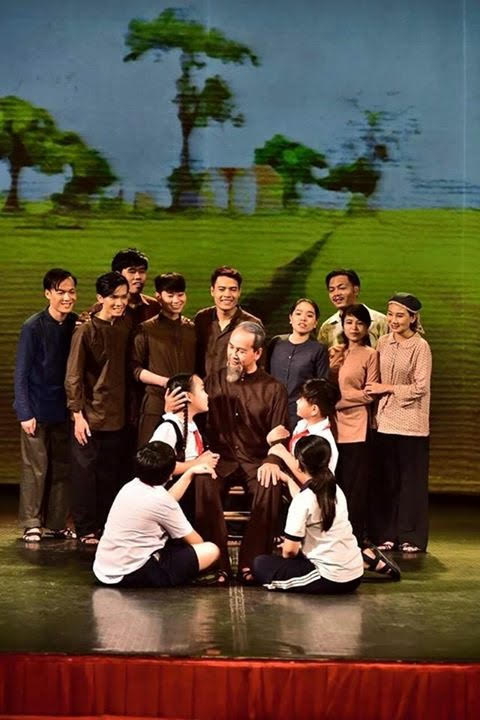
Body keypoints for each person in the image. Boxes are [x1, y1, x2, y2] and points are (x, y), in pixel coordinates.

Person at [201, 321, 289, 583]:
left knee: (270, 482)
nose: (233, 355)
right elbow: (197, 421)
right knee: (203, 480)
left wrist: (272, 460)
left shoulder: (273, 388)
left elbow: (280, 431)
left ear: (257, 353)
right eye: (231, 348)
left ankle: (253, 562)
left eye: (240, 350)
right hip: (221, 458)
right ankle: (215, 562)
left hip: (256, 459)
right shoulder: (214, 381)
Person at [93, 442, 220, 588]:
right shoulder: (162, 501)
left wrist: (189, 473)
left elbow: (165, 501)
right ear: (170, 474)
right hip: (131, 572)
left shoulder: (131, 486)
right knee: (211, 550)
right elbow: (196, 541)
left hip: (104, 569)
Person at [65, 272, 130, 545]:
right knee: (84, 476)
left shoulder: (125, 326)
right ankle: (85, 528)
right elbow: (73, 375)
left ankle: (106, 526)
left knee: (109, 476)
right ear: (100, 298)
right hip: (89, 416)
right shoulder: (85, 330)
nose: (120, 302)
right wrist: (77, 415)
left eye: (124, 297)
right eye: (114, 297)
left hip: (117, 416)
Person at [14, 268, 78, 543]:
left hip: (64, 410)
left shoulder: (76, 324)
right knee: (35, 468)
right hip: (37, 410)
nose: (67, 297)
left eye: (71, 292)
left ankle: (56, 523)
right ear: (47, 294)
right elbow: (21, 372)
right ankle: (31, 523)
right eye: (60, 292)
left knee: (63, 468)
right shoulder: (33, 326)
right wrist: (24, 412)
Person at [253, 436, 364, 594]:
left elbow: (289, 552)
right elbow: (308, 501)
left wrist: (293, 545)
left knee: (260, 564)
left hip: (330, 578)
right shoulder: (334, 488)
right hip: (355, 574)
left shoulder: (303, 501)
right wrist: (288, 480)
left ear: (298, 464)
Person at [366, 293, 432, 554]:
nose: (393, 320)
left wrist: (388, 388)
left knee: (410, 484)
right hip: (384, 422)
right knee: (386, 482)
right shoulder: (383, 342)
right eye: (390, 314)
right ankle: (386, 534)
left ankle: (411, 536)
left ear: (412, 318)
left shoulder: (420, 346)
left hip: (411, 424)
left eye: (400, 315)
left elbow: (420, 387)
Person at [328, 304, 379, 546]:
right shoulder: (334, 352)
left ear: (367, 327)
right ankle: (333, 533)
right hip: (332, 427)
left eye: (359, 323)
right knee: (334, 484)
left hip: (357, 427)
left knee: (354, 486)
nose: (354, 327)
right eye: (349, 322)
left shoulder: (370, 354)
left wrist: (336, 401)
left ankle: (355, 536)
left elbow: (370, 393)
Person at [131, 272, 196, 447]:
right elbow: (135, 369)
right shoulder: (146, 329)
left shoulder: (191, 328)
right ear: (158, 296)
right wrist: (166, 382)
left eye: (180, 294)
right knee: (150, 455)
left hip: (187, 406)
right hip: (155, 404)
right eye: (170, 295)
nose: (176, 300)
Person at [267, 298, 328, 430]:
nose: (303, 318)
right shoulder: (276, 342)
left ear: (315, 323)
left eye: (309, 315)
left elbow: (321, 386)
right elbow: (266, 375)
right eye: (298, 313)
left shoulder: (319, 349)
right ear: (290, 318)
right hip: (271, 410)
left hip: (300, 415)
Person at [266, 378, 339, 481]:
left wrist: (283, 453)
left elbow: (312, 481)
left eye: (301, 399)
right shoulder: (302, 424)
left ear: (314, 409)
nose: (297, 401)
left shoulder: (322, 441)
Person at [194, 266, 262, 378]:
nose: (227, 295)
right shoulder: (202, 318)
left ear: (239, 292)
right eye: (221, 289)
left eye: (233, 289)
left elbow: (259, 367)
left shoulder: (252, 324)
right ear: (212, 291)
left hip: (237, 388)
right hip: (203, 387)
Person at [318, 269, 388, 349]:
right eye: (331, 290)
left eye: (342, 288)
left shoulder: (380, 321)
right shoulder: (327, 327)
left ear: (356, 290)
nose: (336, 293)